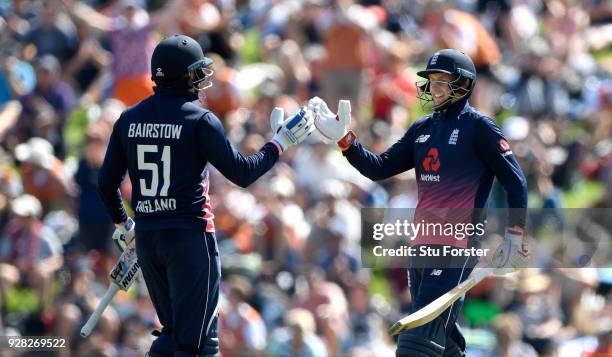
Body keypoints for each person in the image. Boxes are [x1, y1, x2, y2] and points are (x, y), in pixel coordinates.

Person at [97, 34, 314, 357]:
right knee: (195, 344)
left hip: (148, 237)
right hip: (189, 238)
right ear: (181, 75)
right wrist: (279, 143)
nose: (201, 80)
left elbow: (106, 182)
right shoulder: (199, 119)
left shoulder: (129, 119)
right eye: (196, 72)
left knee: (179, 335)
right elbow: (242, 173)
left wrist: (123, 223)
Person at [309, 49, 529, 356]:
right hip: (420, 247)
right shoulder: (422, 129)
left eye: (442, 82)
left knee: (415, 344)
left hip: (455, 246)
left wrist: (514, 234)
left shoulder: (479, 127)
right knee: (445, 344)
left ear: (464, 84)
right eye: (431, 82)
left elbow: (515, 181)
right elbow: (378, 167)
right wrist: (346, 140)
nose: (434, 89)